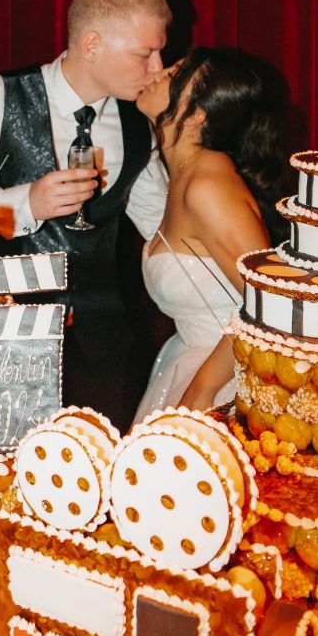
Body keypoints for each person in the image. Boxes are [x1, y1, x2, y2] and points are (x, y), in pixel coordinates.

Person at [0, 0, 172, 431]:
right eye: (146, 53)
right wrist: (27, 205)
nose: (158, 69)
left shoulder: (136, 125)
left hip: (102, 353)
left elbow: (165, 226)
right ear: (91, 46)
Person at [132, 46, 289, 422]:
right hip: (187, 360)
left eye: (173, 74)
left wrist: (203, 387)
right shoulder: (183, 172)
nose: (157, 71)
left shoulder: (208, 185)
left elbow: (273, 301)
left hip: (223, 384)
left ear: (196, 114)